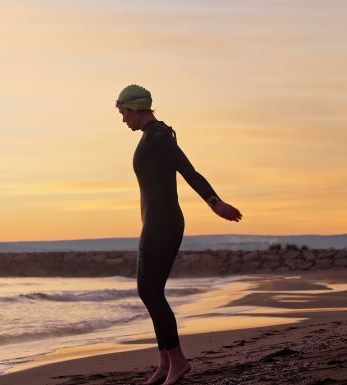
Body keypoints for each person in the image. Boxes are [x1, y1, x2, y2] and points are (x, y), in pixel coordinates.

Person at [116, 84, 242, 385]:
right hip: (156, 222)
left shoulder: (158, 136)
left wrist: (214, 201)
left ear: (135, 109)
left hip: (163, 223)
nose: (123, 120)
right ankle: (164, 363)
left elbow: (188, 170)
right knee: (151, 290)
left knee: (149, 291)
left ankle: (178, 361)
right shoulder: (153, 135)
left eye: (123, 113)